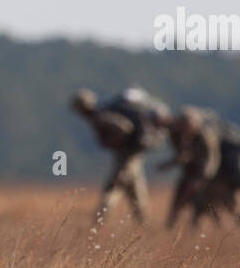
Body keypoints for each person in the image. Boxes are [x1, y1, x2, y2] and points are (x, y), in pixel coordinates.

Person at [70, 86, 170, 224]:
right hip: (131, 154)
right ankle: (143, 222)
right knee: (134, 188)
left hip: (126, 155)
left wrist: (116, 143)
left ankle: (99, 220)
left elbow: (124, 127)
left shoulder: (100, 116)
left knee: (113, 186)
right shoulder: (102, 114)